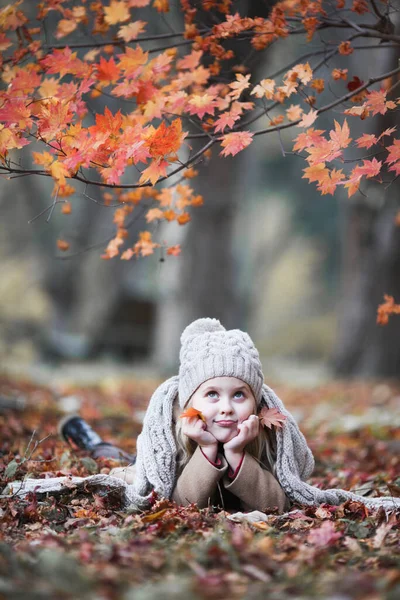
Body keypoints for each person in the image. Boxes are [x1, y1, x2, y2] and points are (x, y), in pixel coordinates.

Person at [7, 318, 400, 513]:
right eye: (212, 394)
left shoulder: (266, 432)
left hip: (236, 457)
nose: (226, 407)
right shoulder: (175, 428)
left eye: (239, 395)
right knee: (119, 463)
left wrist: (236, 457)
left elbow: (279, 502)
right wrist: (208, 450)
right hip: (148, 464)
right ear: (190, 398)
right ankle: (87, 437)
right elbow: (175, 500)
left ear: (256, 400)